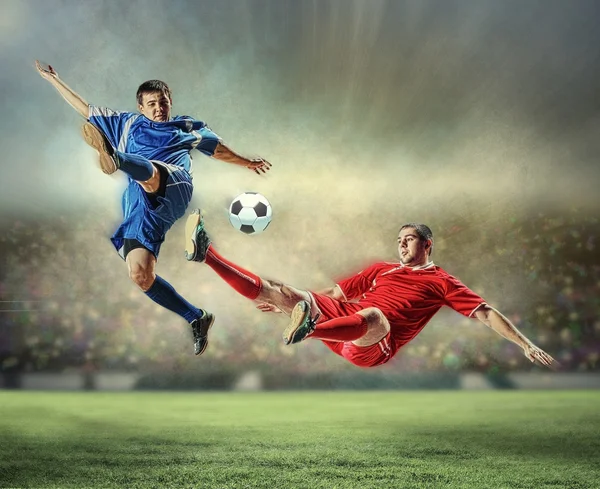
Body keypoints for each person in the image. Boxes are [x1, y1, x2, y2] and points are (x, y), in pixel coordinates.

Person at [35, 61, 271, 356]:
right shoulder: (127, 123)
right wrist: (53, 79)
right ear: (141, 107)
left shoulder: (187, 126)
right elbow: (85, 109)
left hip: (173, 183)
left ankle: (116, 159)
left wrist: (248, 162)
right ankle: (196, 317)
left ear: (170, 103)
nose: (159, 108)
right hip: (139, 205)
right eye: (152, 104)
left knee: (151, 173)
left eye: (163, 102)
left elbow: (218, 149)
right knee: (140, 274)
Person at [184, 210, 556, 368]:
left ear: (428, 245)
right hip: (342, 320)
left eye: (409, 239)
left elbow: (486, 313)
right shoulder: (380, 269)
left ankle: (308, 329)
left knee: (374, 315)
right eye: (399, 239)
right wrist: (293, 302)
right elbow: (333, 295)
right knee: (280, 289)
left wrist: (526, 344)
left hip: (374, 342)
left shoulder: (442, 281)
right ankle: (208, 254)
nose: (402, 244)